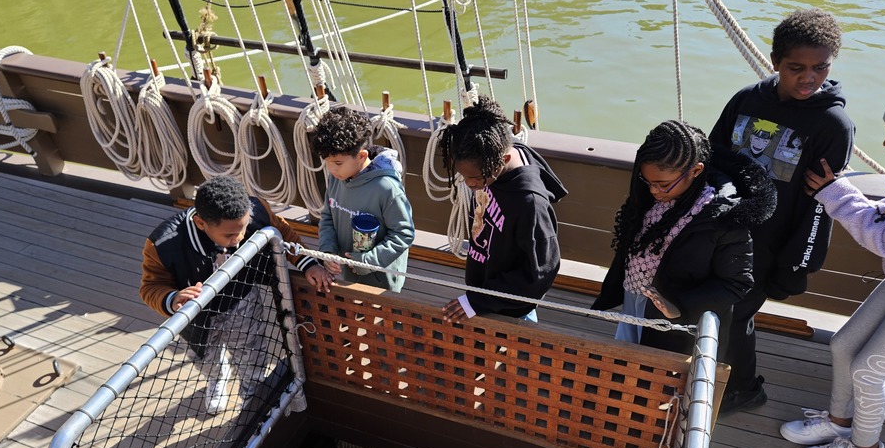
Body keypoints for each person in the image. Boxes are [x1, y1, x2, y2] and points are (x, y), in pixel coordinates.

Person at [779, 69, 885, 448]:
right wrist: (843, 191)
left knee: (869, 370)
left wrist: (838, 195)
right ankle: (839, 421)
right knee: (844, 345)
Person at [709, 8, 855, 414]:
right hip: (724, 230)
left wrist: (796, 265)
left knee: (737, 313)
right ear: (775, 62)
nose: (809, 78)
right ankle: (712, 377)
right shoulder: (745, 100)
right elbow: (714, 156)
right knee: (717, 309)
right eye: (796, 68)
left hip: (771, 246)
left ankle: (744, 388)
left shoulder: (833, 125)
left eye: (820, 68)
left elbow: (819, 206)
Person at [140, 175, 334, 415]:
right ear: (200, 223)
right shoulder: (163, 244)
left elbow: (284, 234)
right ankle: (217, 377)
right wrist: (172, 298)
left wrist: (308, 263)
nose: (239, 239)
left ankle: (251, 397)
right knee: (204, 359)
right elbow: (151, 287)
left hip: (241, 299)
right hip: (197, 317)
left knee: (252, 354)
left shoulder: (257, 211)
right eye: (229, 236)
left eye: (243, 229)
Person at [592, 120, 775, 357]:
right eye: (648, 182)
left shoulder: (724, 220)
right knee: (627, 358)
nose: (654, 191)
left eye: (663, 185)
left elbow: (736, 283)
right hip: (635, 301)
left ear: (696, 171)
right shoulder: (650, 196)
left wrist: (679, 307)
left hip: (679, 325)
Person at [439, 98, 568, 323]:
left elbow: (540, 272)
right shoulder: (490, 158)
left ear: (504, 160)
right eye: (464, 176)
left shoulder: (530, 203)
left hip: (511, 311)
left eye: (476, 177)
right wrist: (476, 298)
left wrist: (478, 301)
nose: (469, 184)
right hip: (482, 293)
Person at [314, 106, 415, 292]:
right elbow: (328, 217)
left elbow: (403, 234)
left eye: (337, 163)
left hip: (381, 283)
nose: (331, 169)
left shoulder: (387, 188)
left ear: (361, 156)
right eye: (326, 162)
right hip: (346, 276)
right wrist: (327, 251)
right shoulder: (336, 178)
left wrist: (368, 261)